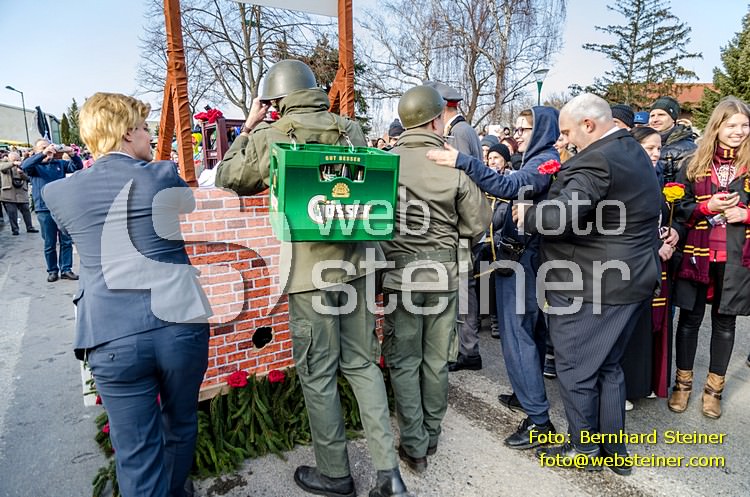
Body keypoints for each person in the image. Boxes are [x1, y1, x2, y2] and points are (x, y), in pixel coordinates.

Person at [215, 59, 408, 497]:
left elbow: (229, 177)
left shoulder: (271, 134)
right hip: (359, 266)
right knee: (362, 365)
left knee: (318, 373)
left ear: (277, 100)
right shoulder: (350, 129)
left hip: (308, 274)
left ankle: (336, 475)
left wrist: (249, 125)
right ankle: (389, 475)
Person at [42, 92, 211, 497]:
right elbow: (188, 207)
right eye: (145, 128)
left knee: (135, 452)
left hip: (110, 333)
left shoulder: (58, 193)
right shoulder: (162, 175)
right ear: (126, 132)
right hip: (180, 326)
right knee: (180, 424)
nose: (150, 136)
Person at [524, 93, 661, 475]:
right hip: (632, 279)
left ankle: (583, 448)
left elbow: (559, 217)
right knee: (608, 366)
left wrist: (528, 214)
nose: (565, 141)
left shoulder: (597, 160)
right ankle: (614, 451)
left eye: (568, 133)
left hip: (593, 285)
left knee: (574, 369)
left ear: (589, 124)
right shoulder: (631, 150)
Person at [427, 105, 560, 449]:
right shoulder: (535, 158)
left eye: (524, 129)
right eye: (516, 129)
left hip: (523, 261)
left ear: (541, 131)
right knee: (528, 333)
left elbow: (508, 184)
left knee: (518, 336)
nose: (517, 135)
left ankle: (539, 421)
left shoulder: (545, 160)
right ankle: (526, 394)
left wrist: (463, 161)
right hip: (521, 258)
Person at [380, 84, 490, 472]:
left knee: (403, 360)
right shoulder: (451, 162)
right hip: (444, 276)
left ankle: (414, 445)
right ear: (434, 121)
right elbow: (478, 222)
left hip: (400, 277)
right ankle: (431, 434)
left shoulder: (385, 163)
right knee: (436, 359)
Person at [668, 96, 750, 419]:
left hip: (734, 258)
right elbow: (678, 207)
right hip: (696, 255)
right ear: (717, 127)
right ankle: (682, 384)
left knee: (725, 322)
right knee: (689, 320)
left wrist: (745, 215)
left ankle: (714, 390)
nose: (739, 131)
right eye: (732, 125)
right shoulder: (694, 163)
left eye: (745, 125)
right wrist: (706, 207)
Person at [621, 127, 683, 410]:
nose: (656, 154)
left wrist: (673, 232)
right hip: (630, 265)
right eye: (650, 148)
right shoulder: (625, 180)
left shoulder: (657, 179)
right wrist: (654, 246)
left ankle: (644, 382)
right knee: (630, 328)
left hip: (655, 264)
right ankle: (622, 388)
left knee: (650, 326)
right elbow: (623, 226)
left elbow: (666, 218)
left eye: (659, 148)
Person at [21, 138, 83, 281]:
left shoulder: (59, 163)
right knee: (50, 242)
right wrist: (43, 154)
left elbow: (78, 166)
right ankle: (52, 270)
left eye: (48, 146)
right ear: (36, 151)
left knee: (66, 241)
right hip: (44, 209)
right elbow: (24, 166)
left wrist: (72, 154)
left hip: (61, 208)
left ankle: (66, 269)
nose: (47, 149)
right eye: (42, 147)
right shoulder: (34, 167)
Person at [649, 96, 697, 184]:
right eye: (652, 116)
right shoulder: (641, 143)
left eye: (661, 115)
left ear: (673, 119)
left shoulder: (688, 149)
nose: (655, 120)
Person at [0, 151, 38, 235]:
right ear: (9, 159)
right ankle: (15, 229)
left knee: (26, 210)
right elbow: (2, 168)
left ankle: (30, 227)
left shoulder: (23, 165)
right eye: (14, 159)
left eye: (17, 159)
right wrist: (12, 164)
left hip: (22, 192)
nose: (16, 161)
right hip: (9, 193)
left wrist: (22, 173)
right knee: (12, 213)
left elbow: (28, 178)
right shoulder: (4, 163)